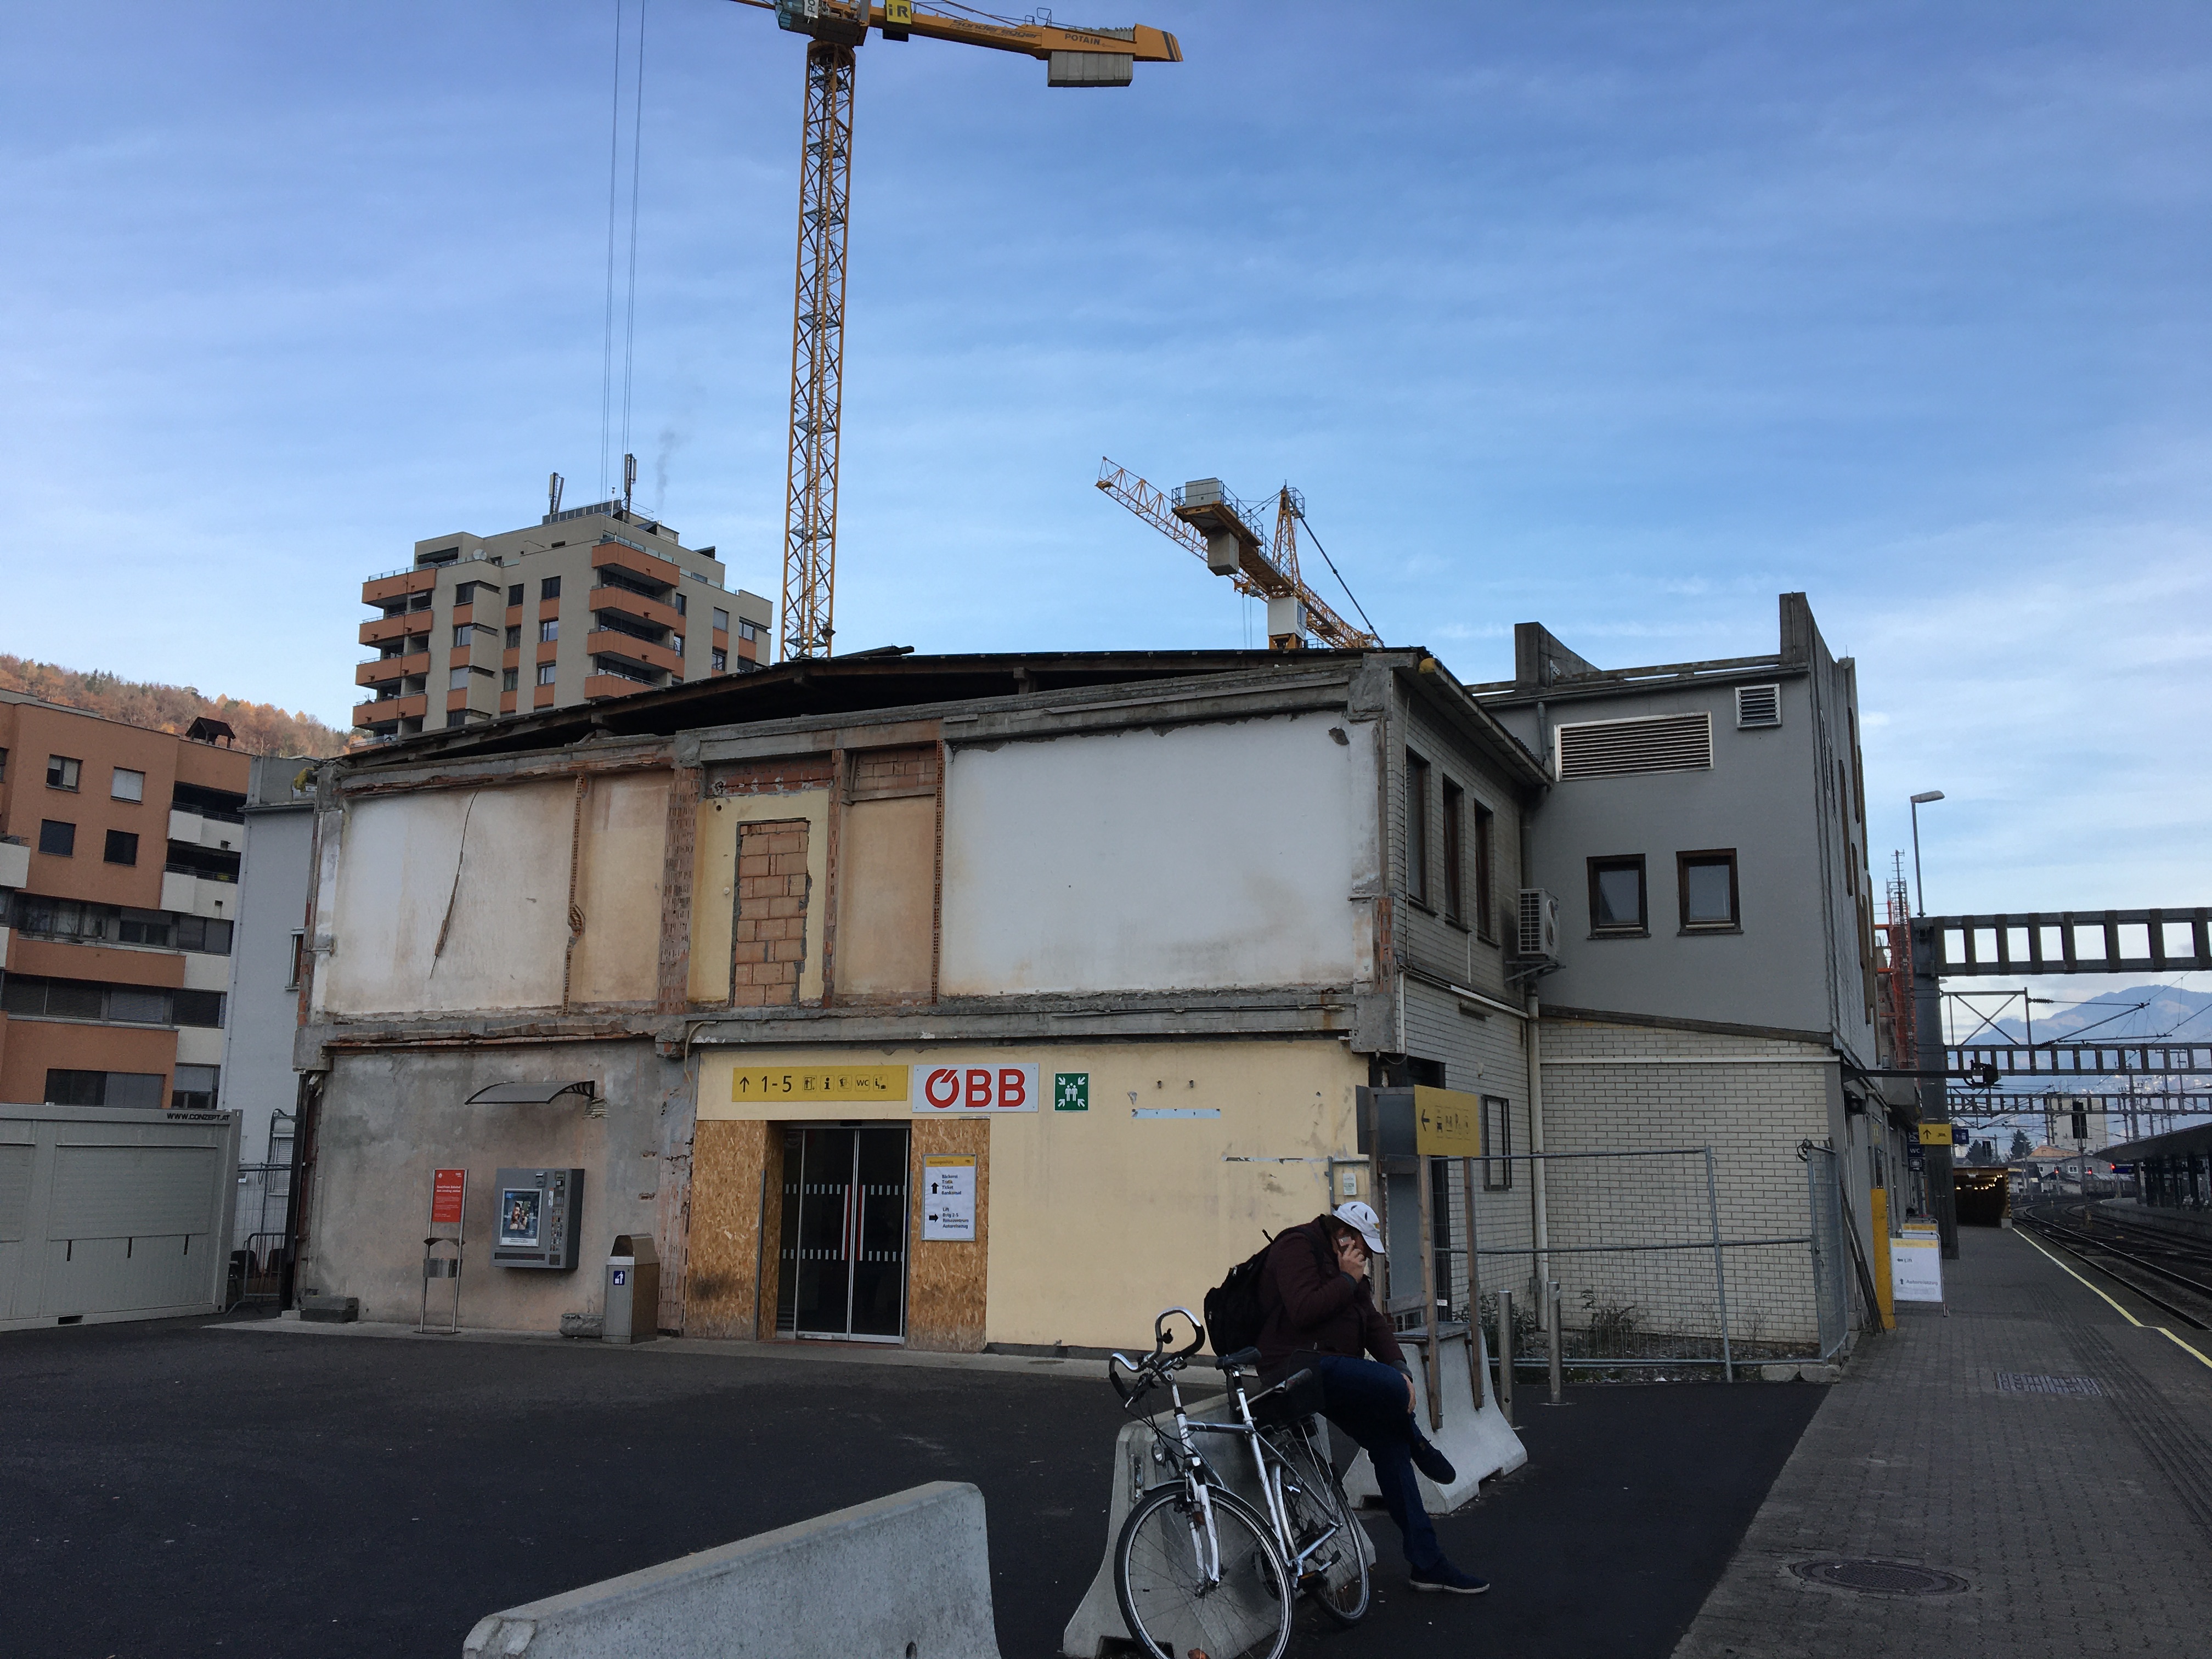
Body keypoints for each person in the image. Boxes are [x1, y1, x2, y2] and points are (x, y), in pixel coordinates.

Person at [1255, 1199, 1489, 1595]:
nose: (1366, 1257)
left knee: (1390, 1442)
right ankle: (1419, 1443)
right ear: (1343, 1235)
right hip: (1296, 1369)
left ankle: (1428, 1563)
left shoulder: (1350, 1268)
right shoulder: (1296, 1247)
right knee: (1393, 1391)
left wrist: (1400, 1366)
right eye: (1363, 1247)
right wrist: (1347, 1280)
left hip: (1334, 1372)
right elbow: (1303, 1310)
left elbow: (1372, 1322)